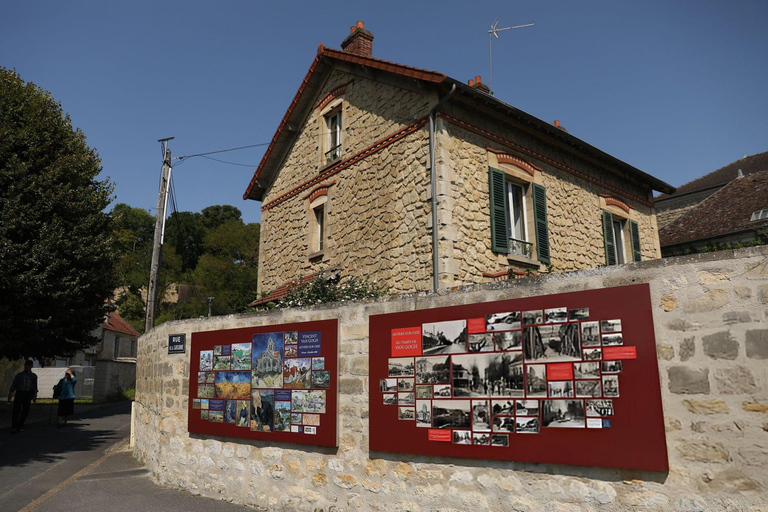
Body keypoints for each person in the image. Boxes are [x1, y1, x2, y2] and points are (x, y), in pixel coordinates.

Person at [9, 360, 38, 433]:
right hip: (20, 393)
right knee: (16, 410)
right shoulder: (19, 375)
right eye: (25, 365)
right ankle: (14, 426)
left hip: (28, 394)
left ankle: (20, 425)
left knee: (25, 411)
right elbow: (14, 384)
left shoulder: (33, 376)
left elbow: (35, 386)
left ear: (31, 366)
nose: (26, 367)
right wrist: (11, 392)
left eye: (28, 365)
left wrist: (34, 395)